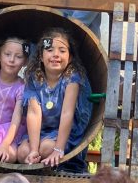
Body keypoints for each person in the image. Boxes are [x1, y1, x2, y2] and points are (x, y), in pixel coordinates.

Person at [15, 28, 92, 169]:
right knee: (22, 153)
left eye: (62, 51)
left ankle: (50, 159)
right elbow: (34, 113)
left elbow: (67, 113)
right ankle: (36, 158)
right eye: (50, 50)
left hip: (62, 132)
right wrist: (33, 150)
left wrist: (59, 148)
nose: (56, 54)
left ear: (70, 58)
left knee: (46, 148)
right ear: (40, 56)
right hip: (40, 131)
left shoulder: (72, 78)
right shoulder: (34, 78)